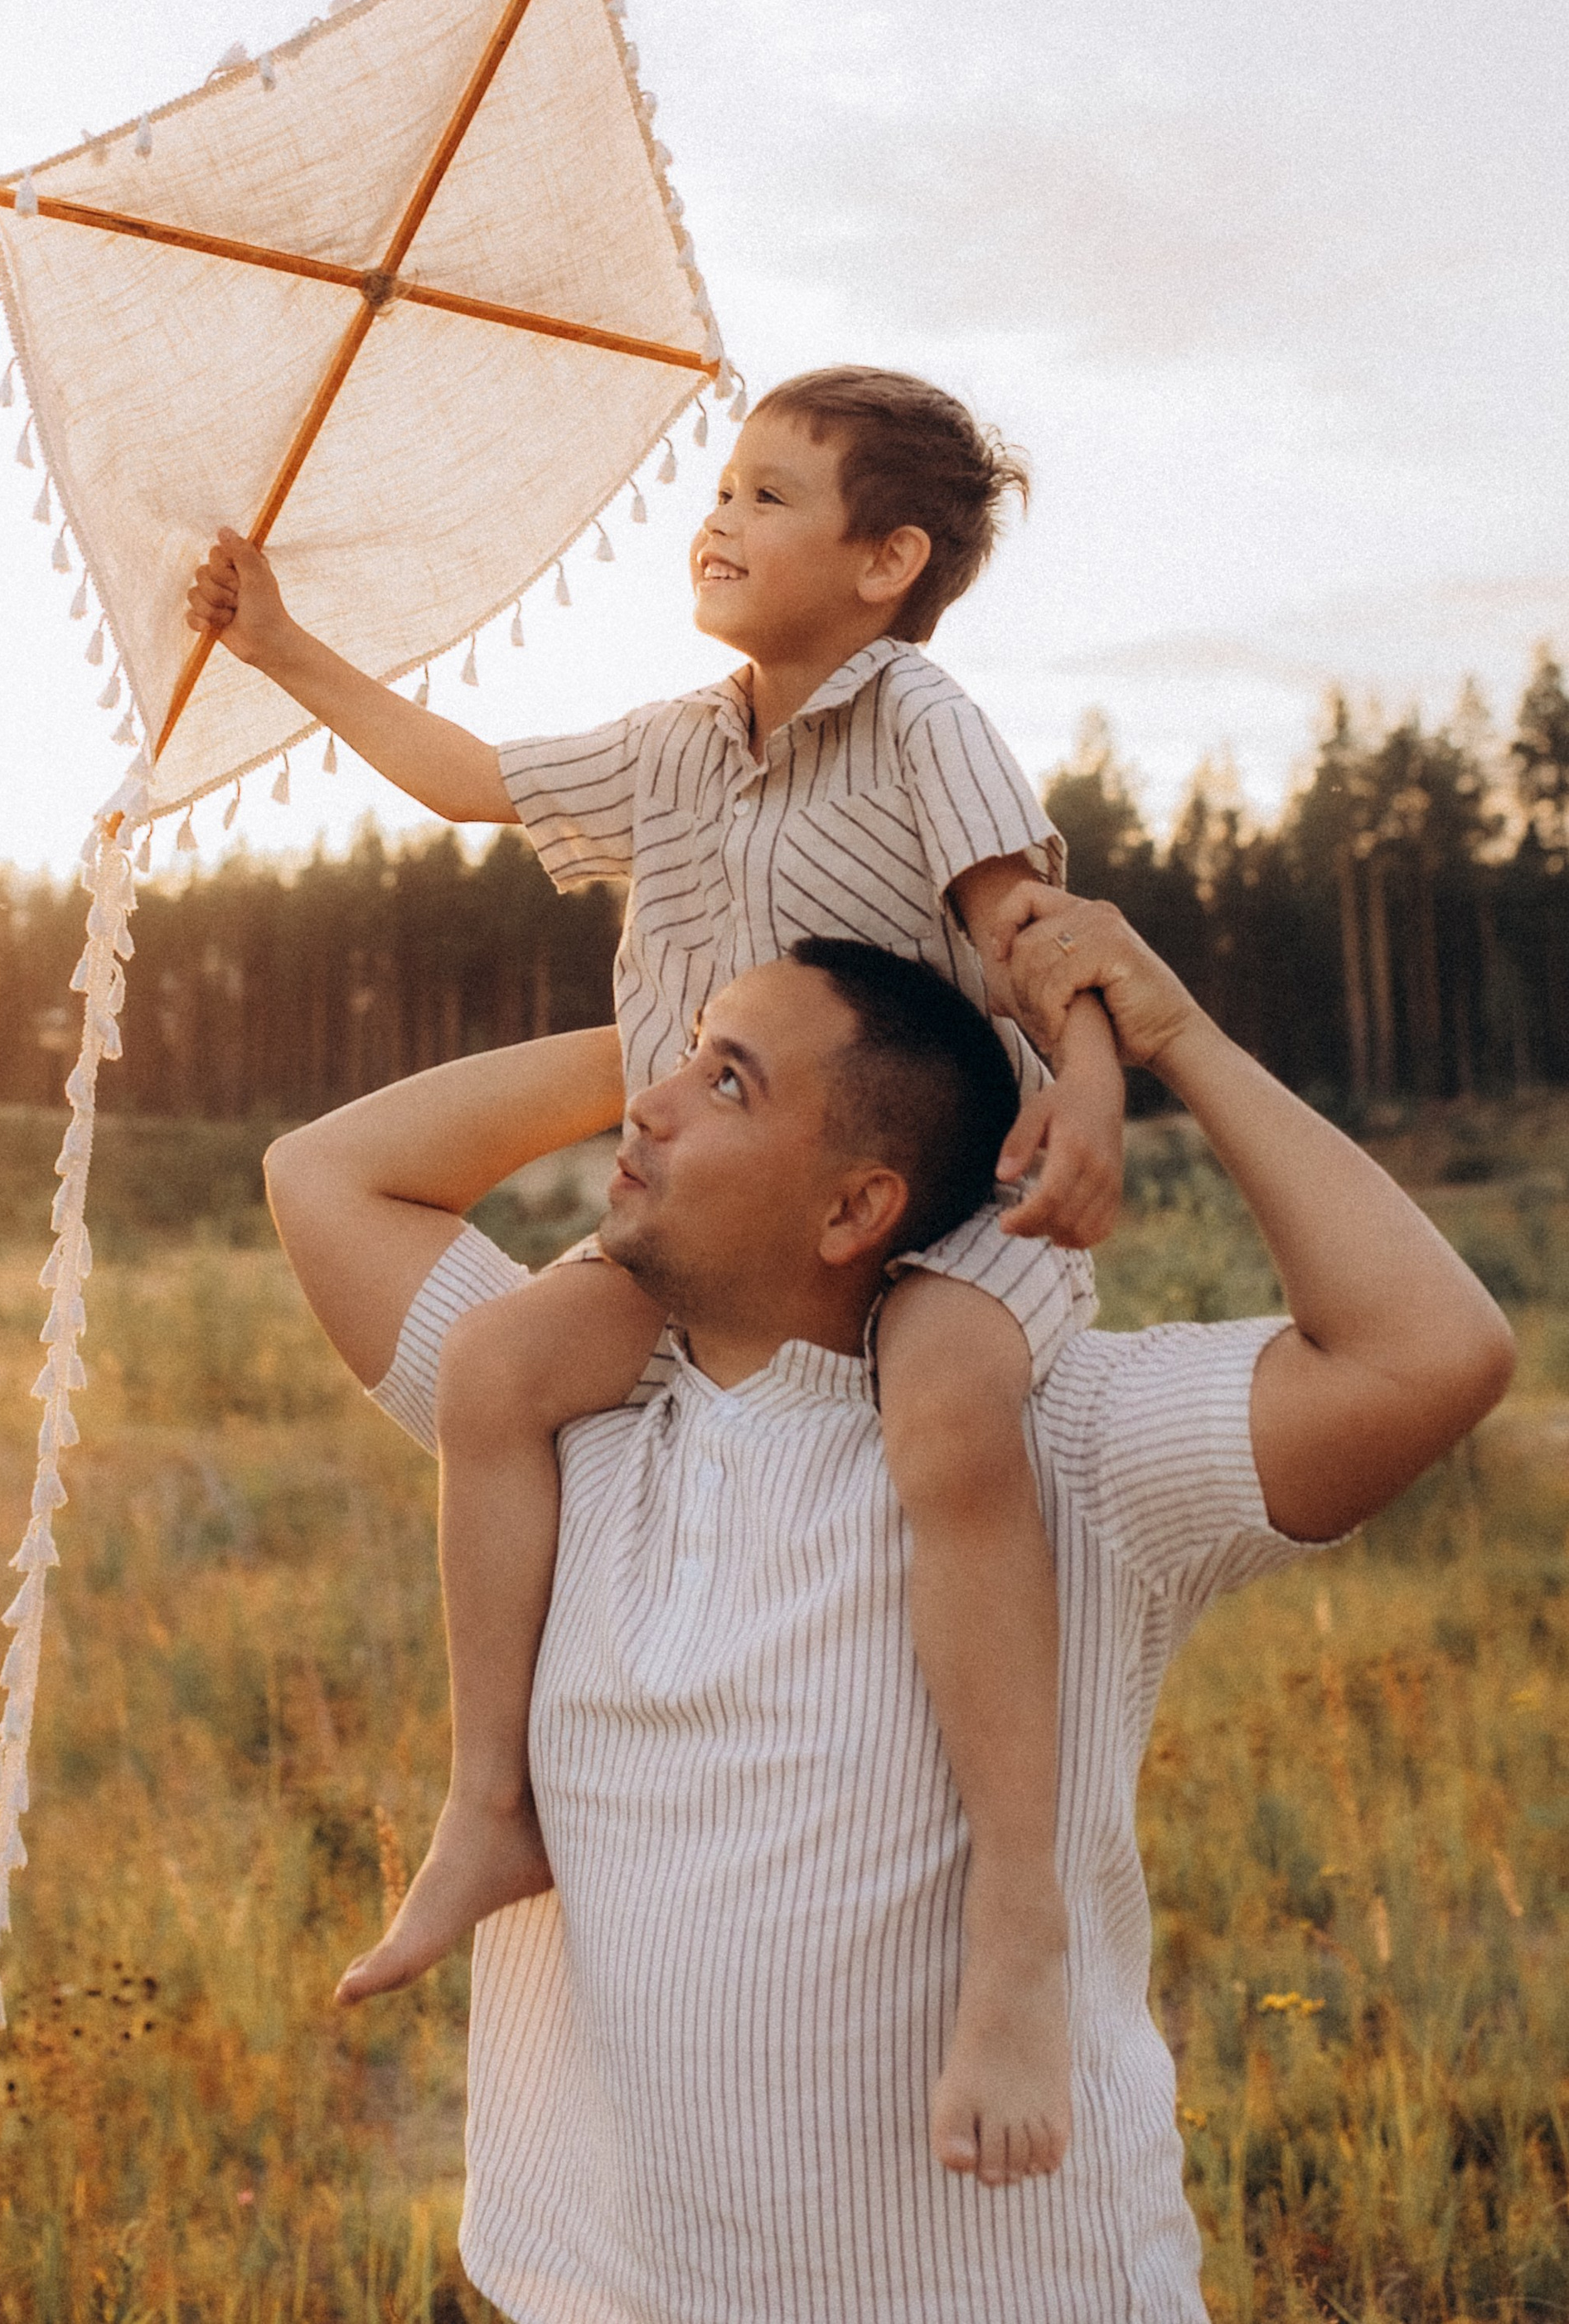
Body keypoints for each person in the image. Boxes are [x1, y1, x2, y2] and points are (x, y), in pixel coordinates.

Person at [262, 898, 1514, 2324]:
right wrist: (676, 1020)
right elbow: (326, 1174)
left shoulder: (1058, 1443)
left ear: (856, 1207)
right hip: (624, 2294)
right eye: (681, 1062)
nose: (652, 1106)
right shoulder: (572, 1427)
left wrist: (1174, 1041)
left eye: (726, 1082)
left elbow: (1436, 1352)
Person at [189, 366, 1122, 2180]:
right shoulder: (674, 747)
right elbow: (467, 781)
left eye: (772, 495)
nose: (719, 517)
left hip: (919, 1202)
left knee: (945, 1413)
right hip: (713, 1216)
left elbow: (1024, 933)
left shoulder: (918, 717)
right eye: (722, 485)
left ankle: (1014, 1915)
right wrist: (282, 649)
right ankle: (485, 1806)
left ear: (884, 562)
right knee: (498, 1375)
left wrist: (1087, 1091)